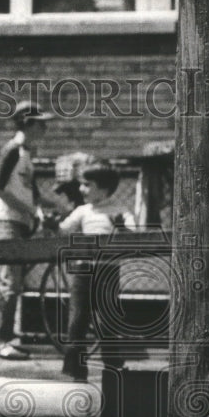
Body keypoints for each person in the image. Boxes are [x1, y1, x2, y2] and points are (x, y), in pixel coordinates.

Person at [57, 159, 136, 382]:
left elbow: (132, 235)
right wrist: (53, 223)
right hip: (83, 271)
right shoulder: (82, 211)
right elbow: (64, 230)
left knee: (108, 320)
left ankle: (112, 365)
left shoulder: (120, 211)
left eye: (87, 184)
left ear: (104, 188)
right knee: (77, 319)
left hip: (108, 271)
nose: (81, 189)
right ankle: (76, 370)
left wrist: (121, 228)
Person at [0, 101, 53, 360]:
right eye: (41, 122)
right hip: (7, 220)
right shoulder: (12, 150)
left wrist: (50, 205)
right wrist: (27, 209)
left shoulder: (26, 152)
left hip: (22, 220)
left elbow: (32, 193)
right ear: (28, 123)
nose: (45, 127)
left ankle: (4, 336)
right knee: (10, 282)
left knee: (14, 282)